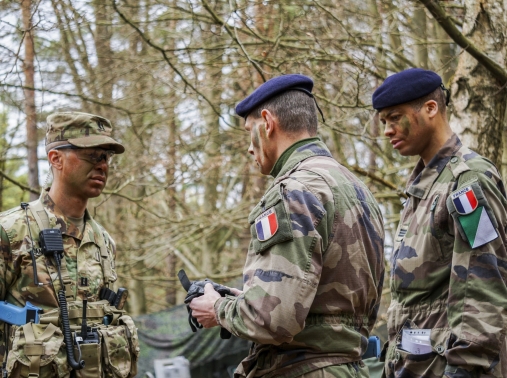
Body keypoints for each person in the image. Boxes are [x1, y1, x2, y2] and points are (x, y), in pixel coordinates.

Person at [189, 74, 385, 377]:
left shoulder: (293, 191)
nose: (249, 149)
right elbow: (325, 305)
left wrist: (216, 309)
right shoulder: (358, 190)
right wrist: (238, 297)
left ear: (267, 123)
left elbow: (274, 320)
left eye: (248, 132)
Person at [373, 68, 507, 378]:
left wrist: (465, 369)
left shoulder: (467, 183)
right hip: (417, 366)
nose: (387, 130)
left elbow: (484, 283)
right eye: (384, 122)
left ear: (431, 109)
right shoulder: (424, 187)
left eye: (395, 118)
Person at [0, 112, 139, 377]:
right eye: (92, 155)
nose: (102, 166)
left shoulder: (104, 242)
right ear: (56, 159)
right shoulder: (12, 230)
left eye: (106, 157)